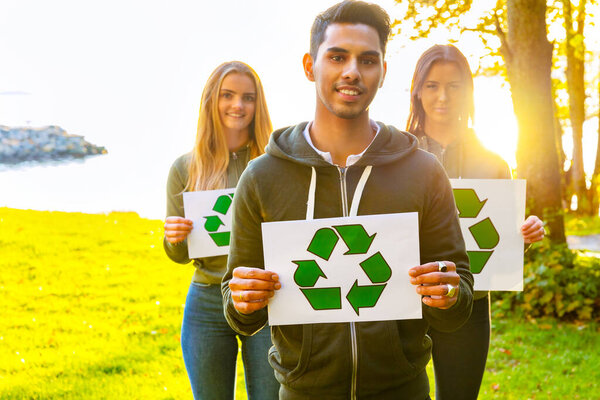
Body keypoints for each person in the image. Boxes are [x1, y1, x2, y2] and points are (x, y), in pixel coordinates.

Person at [221, 2, 474, 399]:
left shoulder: (424, 171)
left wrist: (450, 292)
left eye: (368, 60)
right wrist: (242, 300)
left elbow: (460, 295)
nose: (352, 71)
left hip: (403, 388)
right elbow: (238, 312)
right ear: (310, 66)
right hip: (303, 391)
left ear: (383, 72)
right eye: (337, 56)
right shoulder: (262, 177)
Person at [406, 44, 545, 400]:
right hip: (402, 302)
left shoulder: (494, 163)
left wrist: (523, 234)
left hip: (468, 305)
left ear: (468, 92)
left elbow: (500, 241)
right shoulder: (395, 155)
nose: (443, 96)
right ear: (418, 91)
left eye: (454, 86)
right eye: (433, 85)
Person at [163, 61, 279, 400]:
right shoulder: (186, 168)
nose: (238, 106)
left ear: (259, 104)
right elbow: (180, 256)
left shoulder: (274, 164)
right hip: (206, 302)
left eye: (248, 97)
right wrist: (174, 239)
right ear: (211, 101)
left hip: (264, 298)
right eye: (227, 95)